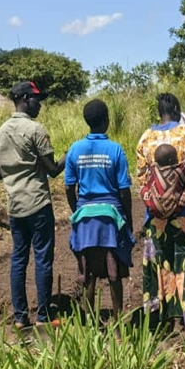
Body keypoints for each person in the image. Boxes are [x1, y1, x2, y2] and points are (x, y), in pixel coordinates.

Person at [0, 81, 66, 329]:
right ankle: (43, 317)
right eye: (37, 99)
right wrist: (68, 155)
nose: (40, 104)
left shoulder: (1, 131)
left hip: (15, 206)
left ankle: (20, 317)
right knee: (43, 259)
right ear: (25, 99)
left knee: (18, 259)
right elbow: (53, 170)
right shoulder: (35, 129)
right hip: (37, 203)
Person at [136, 93, 185, 332]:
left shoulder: (146, 138)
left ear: (159, 112)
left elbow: (141, 179)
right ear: (177, 110)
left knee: (161, 264)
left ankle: (163, 317)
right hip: (184, 214)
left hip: (155, 217)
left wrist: (156, 204)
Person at [65, 99, 135, 324]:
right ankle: (117, 327)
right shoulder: (115, 150)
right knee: (114, 273)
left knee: (88, 273)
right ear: (106, 120)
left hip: (85, 219)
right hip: (110, 218)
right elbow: (124, 190)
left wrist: (77, 211)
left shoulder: (75, 149)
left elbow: (69, 188)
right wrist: (128, 218)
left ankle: (90, 326)